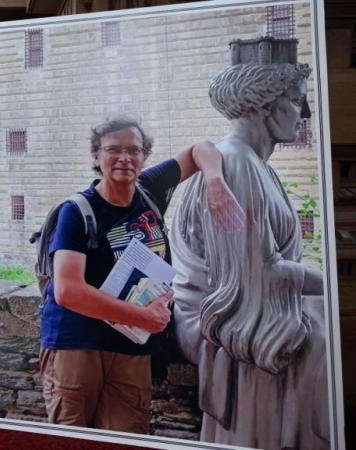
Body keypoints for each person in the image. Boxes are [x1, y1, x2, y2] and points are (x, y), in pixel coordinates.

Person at [169, 43, 330, 449]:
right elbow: (259, 274)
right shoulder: (237, 165)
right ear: (262, 105)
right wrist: (330, 283)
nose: (305, 113)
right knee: (324, 335)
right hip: (226, 319)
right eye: (295, 100)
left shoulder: (248, 163)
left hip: (252, 304)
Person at [39, 115, 243, 433]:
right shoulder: (77, 212)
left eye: (134, 150)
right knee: (73, 438)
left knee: (128, 437)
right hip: (77, 345)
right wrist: (141, 316)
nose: (124, 158)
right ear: (96, 156)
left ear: (145, 155)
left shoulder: (150, 189)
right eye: (113, 150)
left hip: (132, 346)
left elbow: (202, 149)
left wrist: (214, 180)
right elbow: (68, 291)